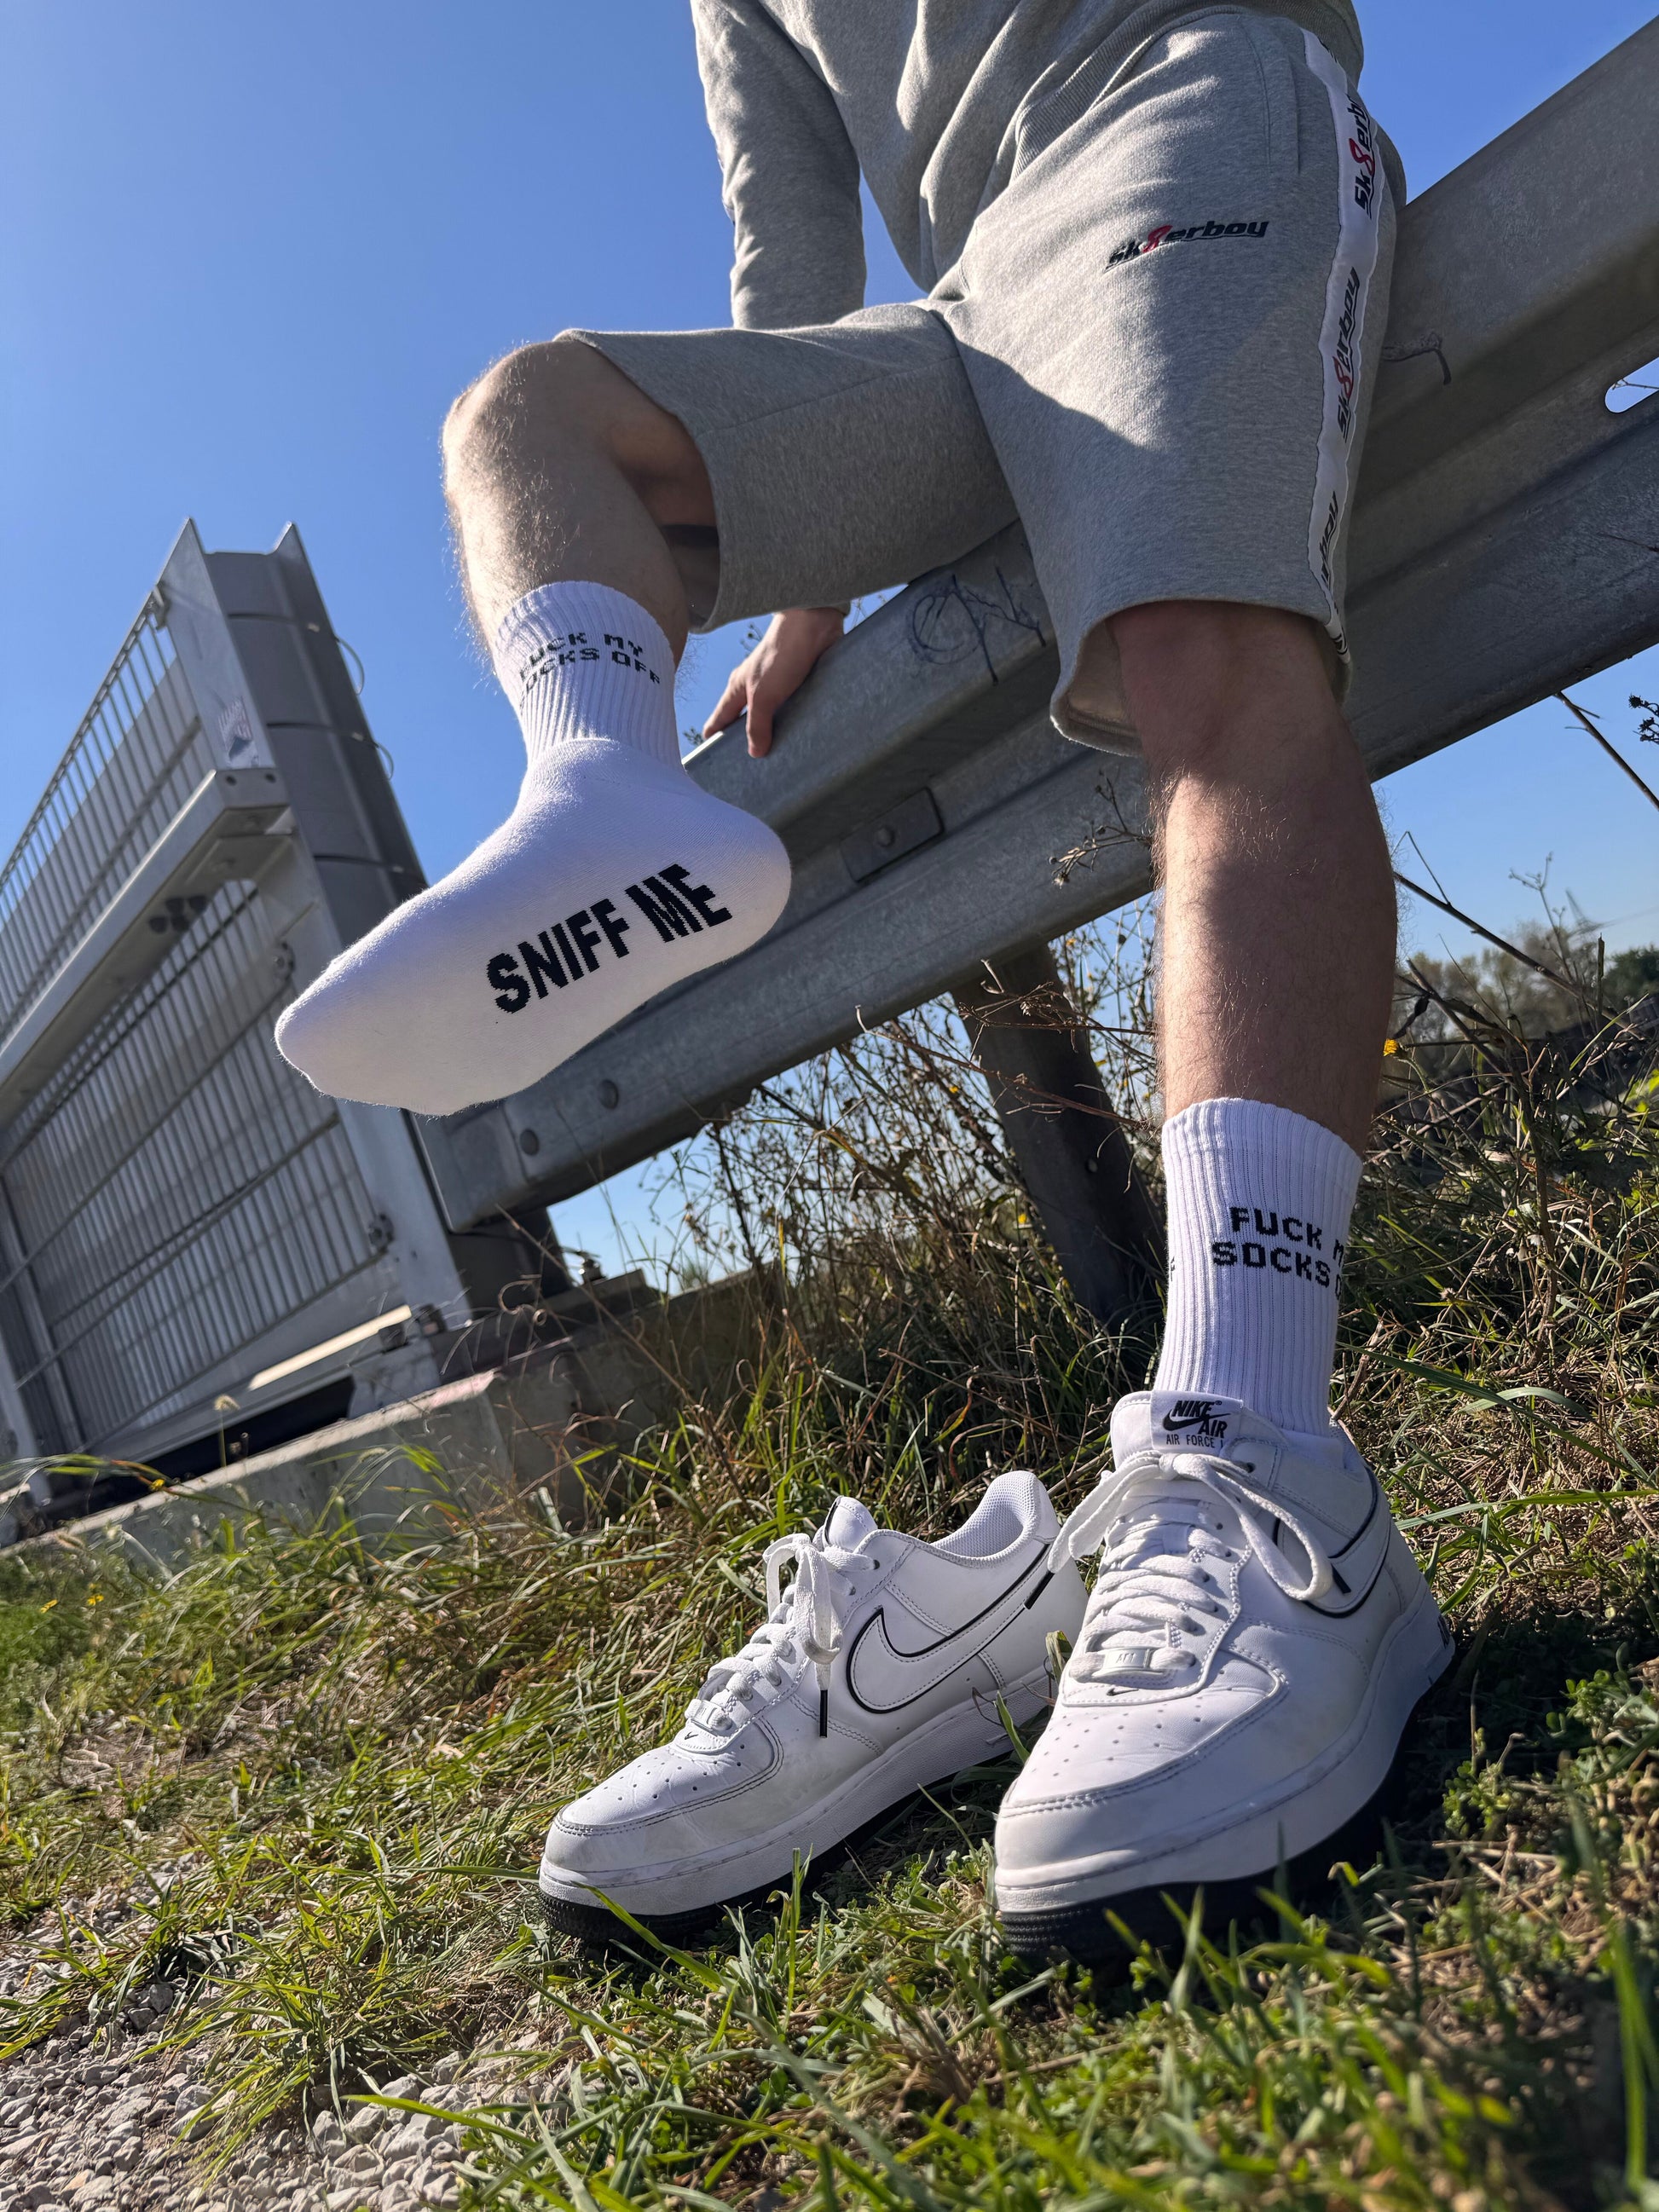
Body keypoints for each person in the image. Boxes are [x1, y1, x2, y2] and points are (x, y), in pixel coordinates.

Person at [277, 0, 1452, 1955]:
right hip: (958, 315)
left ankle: (1261, 1461)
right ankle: (603, 792)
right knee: (525, 415)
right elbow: (789, 233)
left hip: (1167, 118)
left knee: (1204, 668)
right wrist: (805, 577)